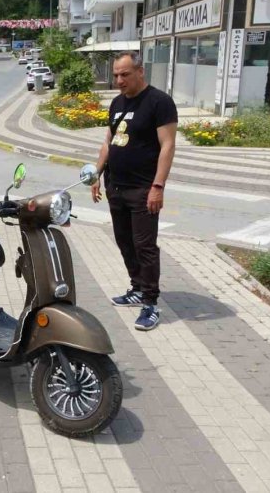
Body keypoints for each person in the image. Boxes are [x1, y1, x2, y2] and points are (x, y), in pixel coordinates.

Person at [91, 50, 177, 331]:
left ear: (140, 72)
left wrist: (158, 186)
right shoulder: (116, 102)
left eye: (124, 74)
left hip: (143, 188)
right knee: (124, 241)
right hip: (115, 186)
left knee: (145, 246)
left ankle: (150, 303)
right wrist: (96, 173)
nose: (119, 80)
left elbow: (167, 146)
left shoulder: (159, 102)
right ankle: (137, 287)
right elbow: (109, 140)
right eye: (116, 74)